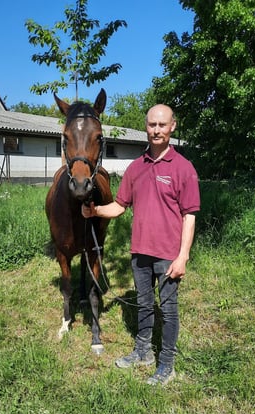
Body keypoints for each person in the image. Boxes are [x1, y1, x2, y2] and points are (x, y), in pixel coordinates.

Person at [82, 104, 200, 385]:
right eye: (151, 125)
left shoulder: (184, 168)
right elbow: (120, 206)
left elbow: (189, 216)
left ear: (173, 126)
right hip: (140, 253)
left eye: (162, 125)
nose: (156, 130)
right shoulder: (135, 168)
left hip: (168, 255)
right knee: (144, 305)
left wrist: (182, 256)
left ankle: (167, 364)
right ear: (146, 127)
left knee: (168, 311)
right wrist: (95, 211)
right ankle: (143, 351)